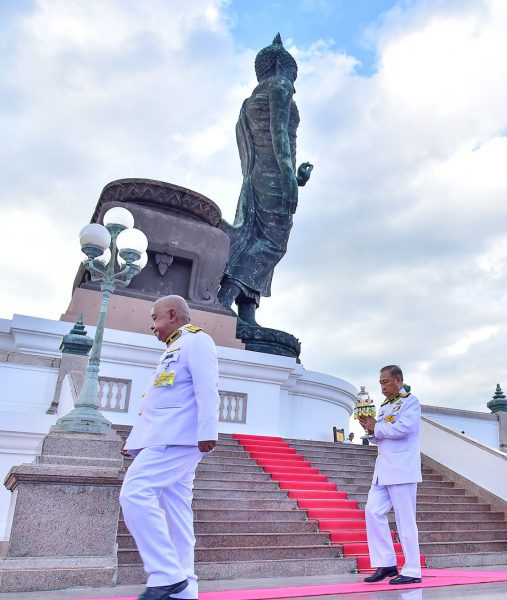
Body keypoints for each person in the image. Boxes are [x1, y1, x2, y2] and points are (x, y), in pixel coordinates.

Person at [120, 295, 220, 600]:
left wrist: (207, 430)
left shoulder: (196, 342)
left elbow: (208, 387)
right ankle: (184, 590)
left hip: (179, 438)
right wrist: (136, 442)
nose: (152, 326)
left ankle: (166, 576)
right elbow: (161, 401)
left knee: (134, 493)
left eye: (155, 318)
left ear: (172, 314)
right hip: (166, 436)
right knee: (176, 514)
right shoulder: (175, 348)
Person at [217, 34, 313, 325]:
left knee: (255, 236)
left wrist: (296, 177)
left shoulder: (249, 103)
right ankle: (224, 299)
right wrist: (287, 178)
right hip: (274, 178)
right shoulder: (279, 86)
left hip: (257, 179)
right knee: (272, 243)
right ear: (281, 66)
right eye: (292, 70)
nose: (293, 78)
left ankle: (247, 311)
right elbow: (278, 134)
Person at [359, 365, 422, 585]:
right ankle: (386, 563)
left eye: (385, 382)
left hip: (403, 469)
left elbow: (405, 428)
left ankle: (413, 570)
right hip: (383, 468)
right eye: (380, 383)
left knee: (405, 521)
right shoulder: (384, 407)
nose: (383, 387)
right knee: (372, 511)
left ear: (398, 380)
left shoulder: (410, 402)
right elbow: (381, 435)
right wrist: (370, 429)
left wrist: (377, 427)